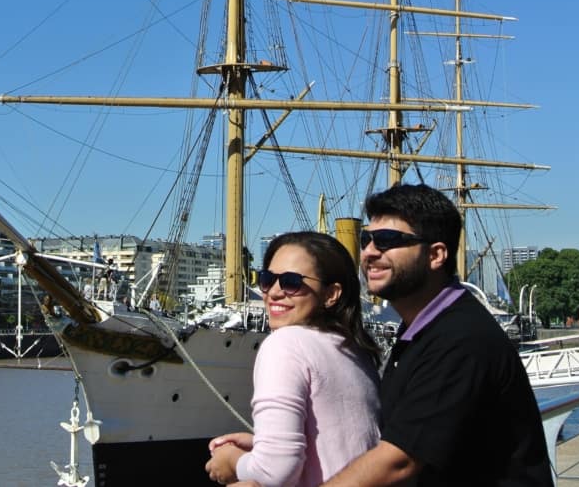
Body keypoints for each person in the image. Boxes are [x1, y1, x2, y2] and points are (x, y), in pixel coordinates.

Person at [323, 183, 552, 486]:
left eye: (388, 240)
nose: (368, 252)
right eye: (366, 239)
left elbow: (399, 459)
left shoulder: (461, 339)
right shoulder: (422, 329)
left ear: (436, 255)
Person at [206, 231, 381, 486]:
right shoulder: (357, 352)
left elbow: (274, 472)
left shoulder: (285, 344)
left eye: (291, 282)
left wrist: (230, 460)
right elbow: (340, 443)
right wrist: (262, 444)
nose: (274, 292)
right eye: (267, 279)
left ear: (331, 294)